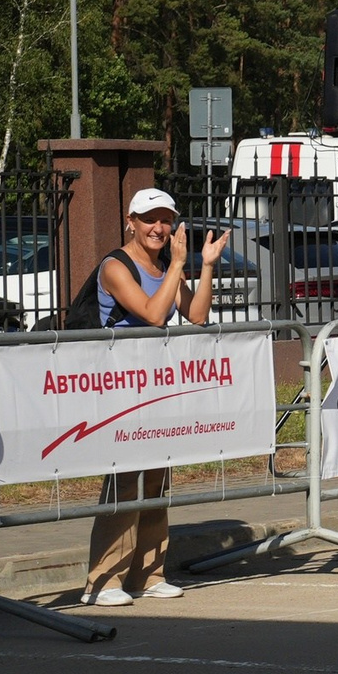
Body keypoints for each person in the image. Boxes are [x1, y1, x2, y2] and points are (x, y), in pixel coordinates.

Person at [84, 186, 229, 607]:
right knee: (125, 481)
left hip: (155, 385)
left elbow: (196, 315)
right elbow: (151, 314)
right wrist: (178, 265)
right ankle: (102, 581)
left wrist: (206, 266)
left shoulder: (167, 266)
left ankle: (148, 574)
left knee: (157, 479)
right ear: (130, 222)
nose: (159, 228)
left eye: (166, 220)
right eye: (150, 219)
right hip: (119, 386)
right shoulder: (116, 266)